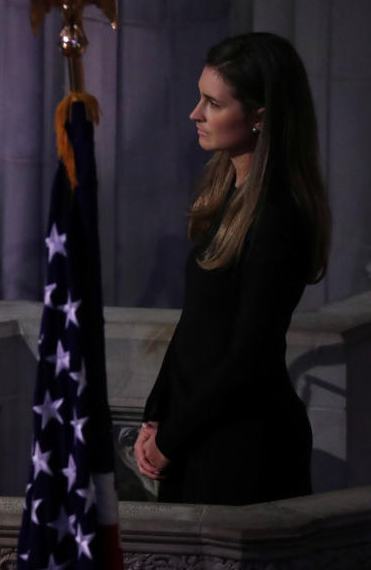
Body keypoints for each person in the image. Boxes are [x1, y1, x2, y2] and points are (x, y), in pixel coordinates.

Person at [133, 32, 332, 505]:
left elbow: (249, 356)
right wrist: (157, 414)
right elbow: (198, 321)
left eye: (212, 103)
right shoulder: (224, 192)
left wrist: (171, 438)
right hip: (196, 431)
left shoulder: (280, 218)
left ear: (260, 116)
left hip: (242, 447)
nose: (194, 114)